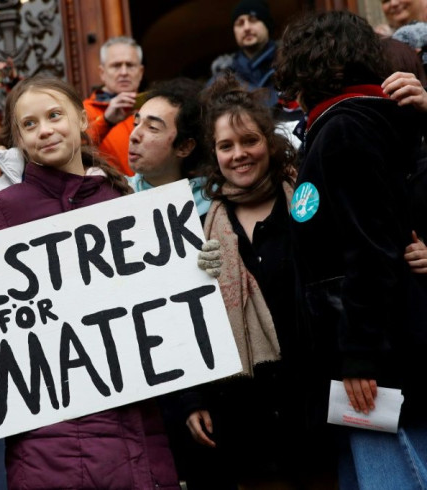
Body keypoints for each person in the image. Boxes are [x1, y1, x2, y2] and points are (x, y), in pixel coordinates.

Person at [0, 75, 179, 490]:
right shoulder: (3, 213)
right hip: (49, 444)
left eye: (54, 116)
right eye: (30, 124)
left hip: (137, 427)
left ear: (82, 119)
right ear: (18, 139)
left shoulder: (125, 204)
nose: (45, 129)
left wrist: (195, 268)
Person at [276, 10, 427, 489]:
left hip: (377, 364)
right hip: (366, 355)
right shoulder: (342, 124)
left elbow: (369, 250)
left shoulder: (347, 128)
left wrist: (360, 355)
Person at [180, 72, 339, 490]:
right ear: (213, 155)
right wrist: (194, 399)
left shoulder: (307, 201)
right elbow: (190, 319)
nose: (239, 154)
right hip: (244, 416)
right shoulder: (198, 229)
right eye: (226, 146)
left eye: (249, 141)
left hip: (317, 403)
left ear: (268, 142)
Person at [127, 77, 210, 215]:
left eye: (152, 127)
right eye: (136, 124)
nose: (133, 136)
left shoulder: (212, 205)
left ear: (184, 147)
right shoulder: (116, 195)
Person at [84, 36, 144, 176]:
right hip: (114, 193)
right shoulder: (84, 111)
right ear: (102, 73)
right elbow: (72, 149)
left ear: (140, 72)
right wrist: (106, 121)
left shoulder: (154, 107)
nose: (124, 72)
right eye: (116, 66)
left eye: (130, 65)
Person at [210, 0, 278, 108]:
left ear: (267, 25)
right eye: (240, 23)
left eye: (253, 20)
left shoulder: (291, 64)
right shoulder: (222, 80)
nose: (246, 28)